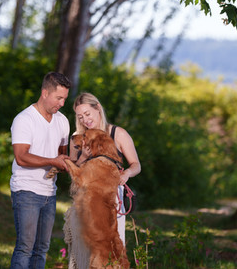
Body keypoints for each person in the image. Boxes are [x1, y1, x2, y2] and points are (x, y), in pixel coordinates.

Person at [63, 92, 141, 269]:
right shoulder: (77, 137)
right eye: (80, 116)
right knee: (84, 252)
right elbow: (73, 172)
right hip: (85, 200)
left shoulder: (117, 133)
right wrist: (82, 155)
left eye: (88, 114)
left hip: (111, 199)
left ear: (97, 108)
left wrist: (127, 173)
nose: (85, 120)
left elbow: (136, 165)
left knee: (109, 247)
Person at [10, 72, 71, 269]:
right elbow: (21, 157)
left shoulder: (62, 121)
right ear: (45, 93)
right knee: (25, 248)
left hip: (49, 193)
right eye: (58, 98)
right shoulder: (24, 119)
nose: (61, 103)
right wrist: (53, 160)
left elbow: (62, 155)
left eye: (64, 99)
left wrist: (67, 162)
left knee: (42, 248)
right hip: (26, 190)